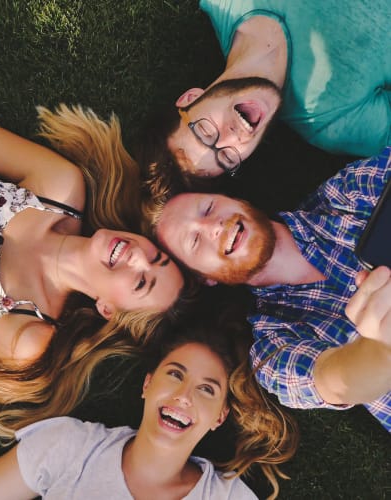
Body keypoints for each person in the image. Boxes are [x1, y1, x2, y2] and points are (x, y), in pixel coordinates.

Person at [0, 56, 184, 437]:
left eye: (142, 282)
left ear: (108, 309)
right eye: (156, 256)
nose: (139, 258)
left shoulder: (29, 335)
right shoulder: (58, 188)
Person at [0, 309, 299, 500]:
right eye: (174, 374)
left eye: (206, 390)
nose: (184, 395)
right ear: (147, 384)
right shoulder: (71, 447)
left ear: (219, 417)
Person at [143, 147, 391, 432]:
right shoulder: (273, 344)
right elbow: (335, 380)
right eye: (195, 241)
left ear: (233, 200)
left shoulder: (347, 194)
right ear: (205, 278)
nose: (214, 226)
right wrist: (381, 350)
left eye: (209, 208)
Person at [138, 0, 390, 178]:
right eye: (227, 158)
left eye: (205, 133)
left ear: (191, 98)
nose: (232, 138)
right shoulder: (331, 122)